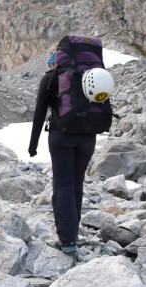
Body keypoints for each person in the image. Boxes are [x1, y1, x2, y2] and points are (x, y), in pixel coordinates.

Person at [27, 49, 97, 255]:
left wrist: (33, 145)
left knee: (63, 184)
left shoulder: (51, 78)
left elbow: (40, 113)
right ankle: (73, 234)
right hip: (88, 137)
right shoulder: (87, 76)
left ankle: (67, 240)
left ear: (53, 63)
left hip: (62, 137)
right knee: (76, 182)